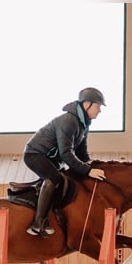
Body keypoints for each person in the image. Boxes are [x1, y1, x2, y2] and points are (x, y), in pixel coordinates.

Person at [22, 87, 107, 237]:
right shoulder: (69, 121)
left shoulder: (83, 123)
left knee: (67, 179)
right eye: (98, 106)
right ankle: (38, 223)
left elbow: (81, 151)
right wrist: (88, 171)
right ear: (86, 104)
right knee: (55, 178)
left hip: (50, 158)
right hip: (35, 155)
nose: (100, 110)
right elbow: (66, 153)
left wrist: (90, 163)